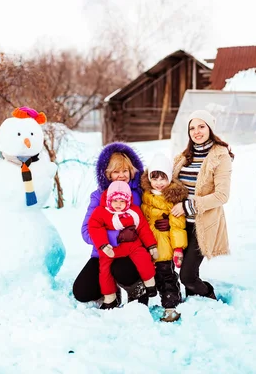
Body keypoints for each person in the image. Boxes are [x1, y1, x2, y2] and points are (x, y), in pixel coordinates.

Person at [161, 110, 234, 299]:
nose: (196, 131)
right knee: (187, 271)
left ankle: (208, 294)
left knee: (187, 276)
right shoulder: (182, 158)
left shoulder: (220, 156)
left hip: (202, 224)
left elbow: (222, 195)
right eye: (192, 128)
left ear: (210, 128)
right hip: (179, 224)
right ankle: (196, 304)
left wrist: (188, 207)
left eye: (201, 126)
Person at [73, 142, 150, 306]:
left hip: (131, 252)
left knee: (122, 270)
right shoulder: (98, 196)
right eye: (116, 171)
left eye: (125, 170)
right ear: (107, 174)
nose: (121, 175)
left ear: (132, 171)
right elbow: (87, 231)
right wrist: (117, 236)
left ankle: (137, 290)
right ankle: (112, 293)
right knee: (82, 291)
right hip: (103, 252)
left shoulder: (141, 194)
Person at [88, 181, 159, 309]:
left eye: (122, 201)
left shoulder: (134, 211)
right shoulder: (101, 212)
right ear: (109, 199)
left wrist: (151, 246)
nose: (118, 205)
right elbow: (94, 228)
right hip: (111, 249)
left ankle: (149, 283)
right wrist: (103, 245)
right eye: (115, 201)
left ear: (128, 201)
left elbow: (143, 229)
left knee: (143, 258)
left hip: (132, 246)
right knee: (104, 270)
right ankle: (110, 297)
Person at [140, 153, 189, 322]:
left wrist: (177, 249)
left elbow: (178, 227)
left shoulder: (172, 199)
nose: (159, 183)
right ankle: (140, 306)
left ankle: (171, 305)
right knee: (145, 276)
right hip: (146, 245)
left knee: (166, 275)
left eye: (163, 178)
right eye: (155, 178)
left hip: (164, 246)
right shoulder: (145, 195)